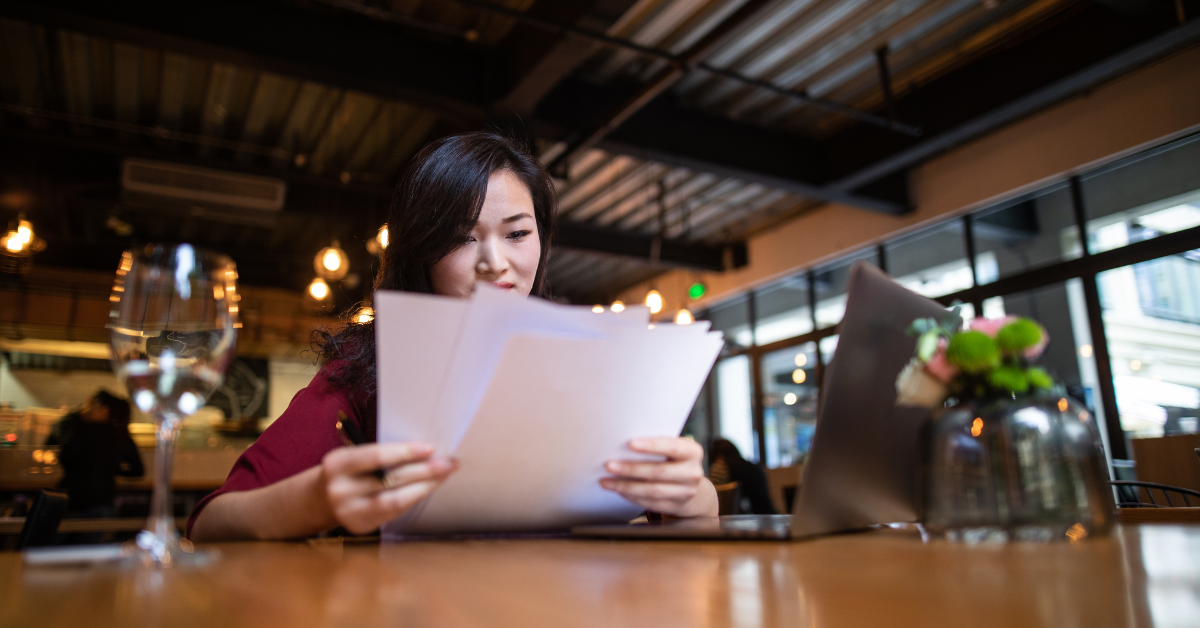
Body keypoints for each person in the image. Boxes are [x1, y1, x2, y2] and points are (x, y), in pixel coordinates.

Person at [189, 132, 718, 541]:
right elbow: (213, 522)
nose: (496, 264)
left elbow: (691, 520)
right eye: (461, 239)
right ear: (421, 251)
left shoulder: (592, 358)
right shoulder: (369, 367)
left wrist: (692, 497)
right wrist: (318, 499)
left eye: (517, 233)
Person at [46, 390, 145, 520]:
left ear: (103, 409)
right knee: (94, 539)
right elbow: (138, 471)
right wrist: (112, 470)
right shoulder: (121, 436)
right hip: (103, 499)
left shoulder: (81, 428)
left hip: (73, 498)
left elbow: (65, 458)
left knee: (61, 539)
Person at [708, 439, 777, 515]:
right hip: (765, 512)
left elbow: (715, 495)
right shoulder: (749, 466)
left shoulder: (720, 466)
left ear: (719, 455)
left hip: (743, 517)